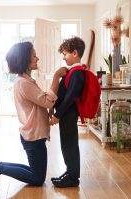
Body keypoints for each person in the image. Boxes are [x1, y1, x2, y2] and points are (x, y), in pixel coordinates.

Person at [0, 41, 67, 187]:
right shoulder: (24, 83)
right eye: (34, 56)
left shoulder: (25, 81)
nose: (37, 58)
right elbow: (48, 101)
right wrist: (56, 77)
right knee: (37, 178)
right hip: (33, 136)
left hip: (33, 135)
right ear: (25, 61)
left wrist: (48, 106)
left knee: (35, 172)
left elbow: (42, 102)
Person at [49, 36, 86, 188]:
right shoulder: (72, 71)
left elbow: (71, 96)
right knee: (66, 144)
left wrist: (58, 115)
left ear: (75, 53)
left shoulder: (77, 72)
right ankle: (70, 172)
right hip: (66, 114)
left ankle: (72, 177)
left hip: (68, 114)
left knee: (70, 145)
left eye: (65, 54)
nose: (63, 57)